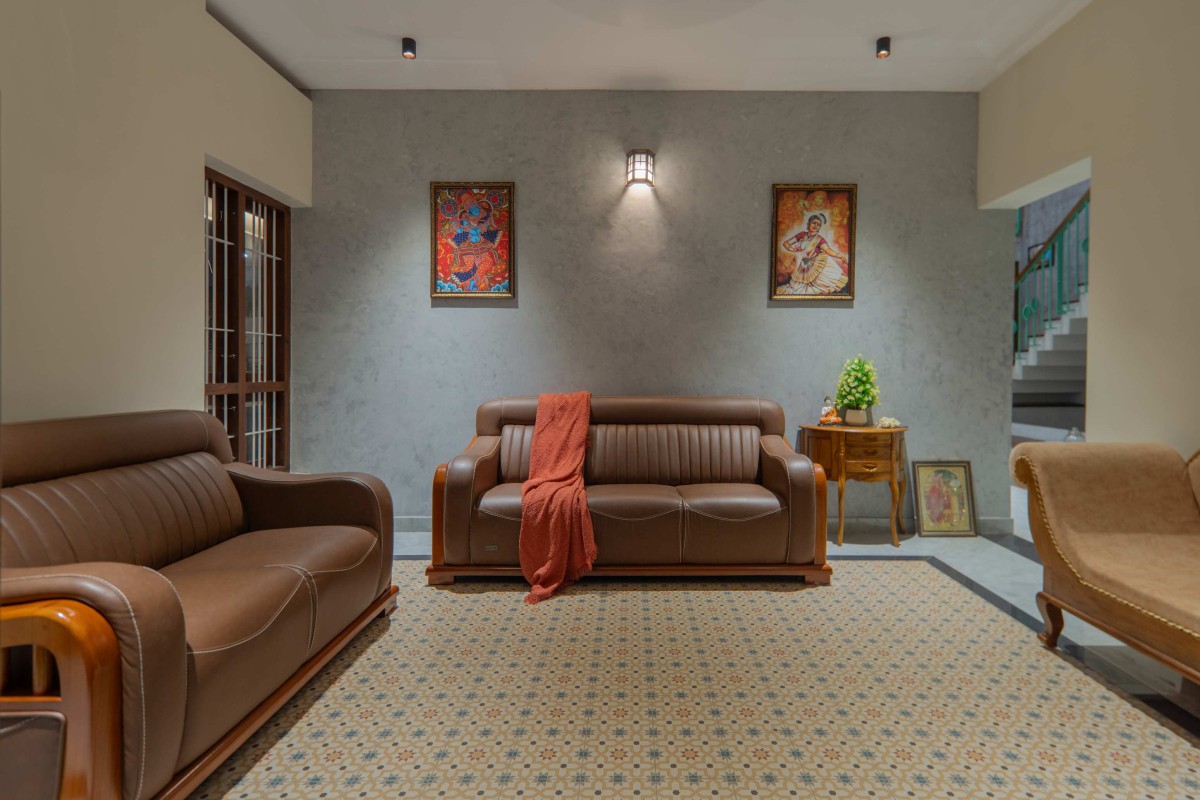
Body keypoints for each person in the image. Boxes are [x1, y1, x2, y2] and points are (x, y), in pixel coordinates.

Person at [780, 214, 849, 296]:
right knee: (797, 288)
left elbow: (828, 250)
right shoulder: (802, 235)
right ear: (809, 223)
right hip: (804, 265)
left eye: (818, 224)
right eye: (813, 223)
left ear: (819, 227)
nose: (815, 226)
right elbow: (786, 243)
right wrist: (793, 249)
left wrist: (840, 256)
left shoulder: (820, 239)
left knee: (814, 288)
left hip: (818, 265)